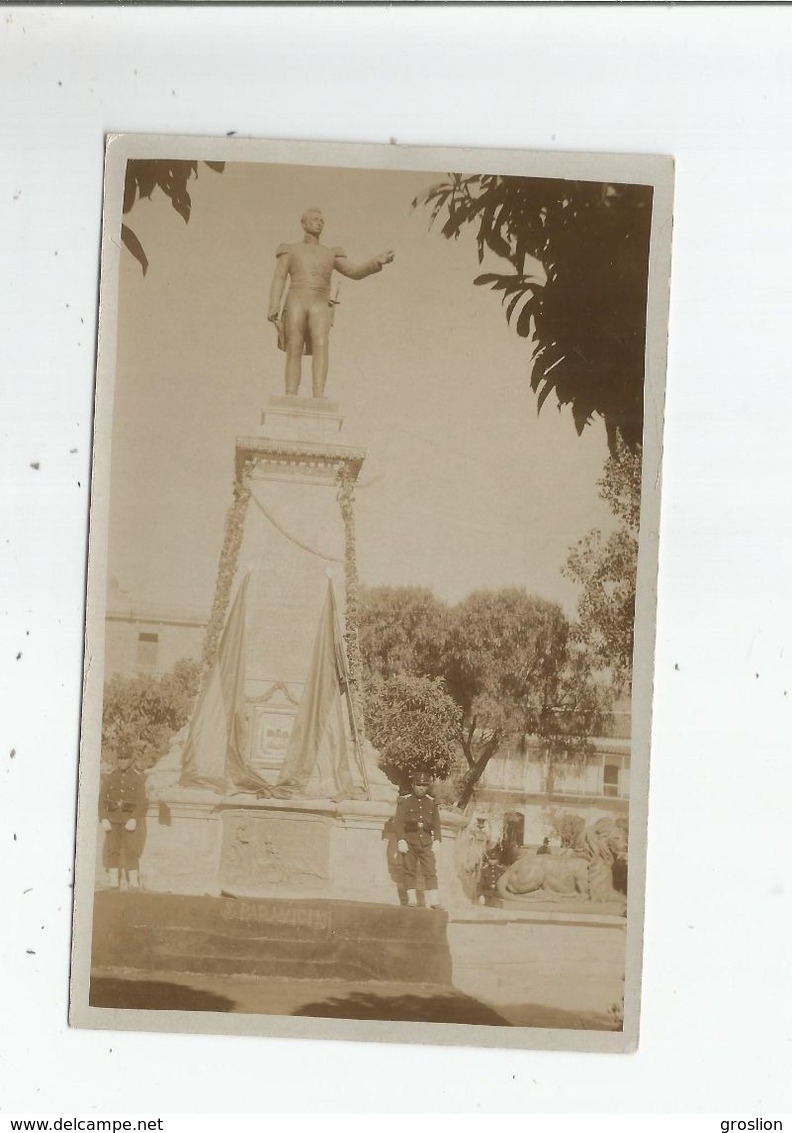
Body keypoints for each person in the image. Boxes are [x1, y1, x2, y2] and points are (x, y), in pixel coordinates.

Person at [267, 207, 394, 398]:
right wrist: (274, 304)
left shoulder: (330, 253)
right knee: (294, 346)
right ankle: (290, 394)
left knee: (321, 344)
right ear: (303, 223)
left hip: (320, 302)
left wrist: (376, 262)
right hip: (296, 299)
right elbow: (279, 278)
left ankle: (318, 394)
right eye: (315, 219)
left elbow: (355, 272)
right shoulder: (290, 250)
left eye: (321, 220)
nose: (320, 222)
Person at [99, 747, 147, 889]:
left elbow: (141, 801)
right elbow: (101, 800)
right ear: (117, 759)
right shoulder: (110, 777)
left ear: (131, 759)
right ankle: (114, 880)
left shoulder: (137, 779)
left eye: (126, 758)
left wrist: (134, 818)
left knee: (131, 849)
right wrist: (103, 818)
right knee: (112, 849)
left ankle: (133, 880)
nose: (123, 761)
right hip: (113, 820)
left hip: (129, 820)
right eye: (120, 758)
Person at [394, 771, 443, 909]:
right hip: (410, 841)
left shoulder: (432, 802)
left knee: (430, 871)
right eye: (418, 784)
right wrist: (401, 839)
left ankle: (434, 901)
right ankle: (412, 899)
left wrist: (437, 840)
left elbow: (437, 823)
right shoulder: (405, 800)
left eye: (424, 785)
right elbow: (398, 822)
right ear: (413, 784)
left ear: (427, 786)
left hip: (426, 842)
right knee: (409, 870)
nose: (421, 788)